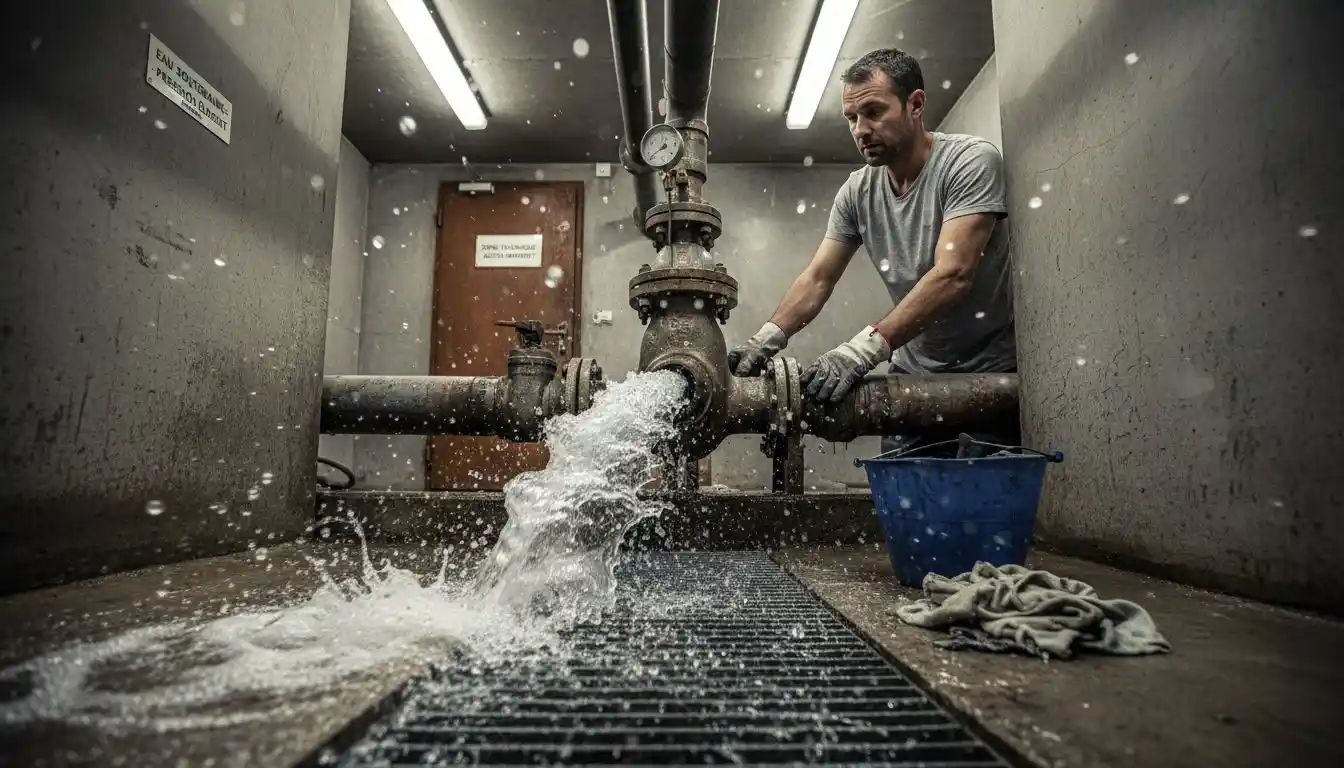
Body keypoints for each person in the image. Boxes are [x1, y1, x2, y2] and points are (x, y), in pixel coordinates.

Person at [726, 48, 1018, 458]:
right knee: (904, 505)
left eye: (874, 112)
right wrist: (765, 340)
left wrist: (862, 350)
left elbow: (953, 274)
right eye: (852, 118)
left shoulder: (969, 162)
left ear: (915, 104)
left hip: (989, 373)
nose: (861, 129)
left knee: (986, 512)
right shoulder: (857, 192)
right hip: (914, 371)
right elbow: (818, 278)